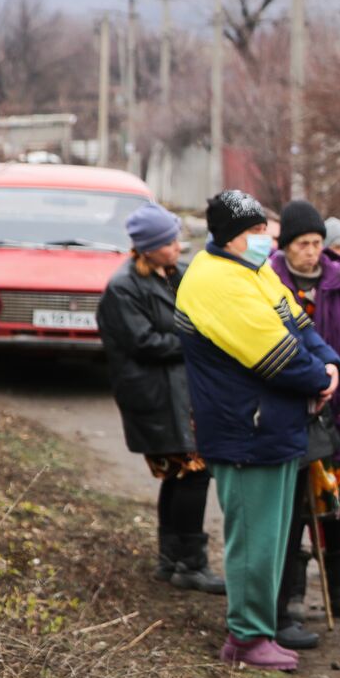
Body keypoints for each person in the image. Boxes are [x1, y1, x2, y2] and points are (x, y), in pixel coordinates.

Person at [176, 189, 340, 672]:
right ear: (231, 237)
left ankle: (255, 632)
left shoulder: (249, 271)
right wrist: (319, 376)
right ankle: (247, 638)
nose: (265, 240)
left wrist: (327, 363)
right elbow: (276, 356)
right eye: (254, 231)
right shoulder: (215, 282)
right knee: (253, 540)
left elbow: (298, 327)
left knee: (268, 539)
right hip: (246, 432)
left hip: (270, 428)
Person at [97, 202, 225, 594]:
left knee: (179, 472)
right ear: (147, 247)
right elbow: (144, 342)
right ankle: (190, 562)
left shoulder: (175, 274)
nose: (176, 247)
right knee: (193, 471)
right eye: (168, 242)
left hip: (179, 391)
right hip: (156, 396)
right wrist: (197, 341)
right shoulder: (123, 287)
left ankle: (171, 559)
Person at [269, 200, 340, 650]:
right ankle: (290, 594)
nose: (312, 252)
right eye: (303, 244)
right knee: (292, 506)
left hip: (335, 412)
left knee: (334, 499)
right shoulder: (268, 280)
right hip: (290, 409)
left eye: (316, 243)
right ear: (286, 246)